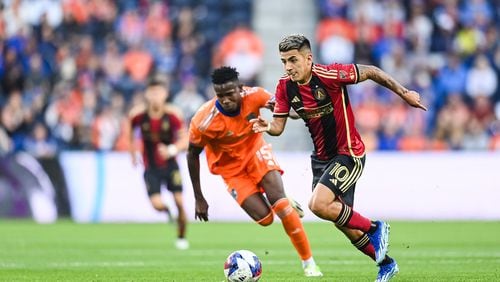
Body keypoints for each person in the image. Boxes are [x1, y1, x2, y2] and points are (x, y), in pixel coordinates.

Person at [251, 34, 427, 282]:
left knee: (318, 205)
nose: (288, 67)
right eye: (284, 61)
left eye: (293, 60)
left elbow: (372, 71)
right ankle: (387, 264)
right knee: (342, 221)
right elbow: (279, 126)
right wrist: (267, 126)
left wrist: (404, 92)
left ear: (308, 58)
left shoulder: (330, 75)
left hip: (349, 152)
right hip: (321, 159)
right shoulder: (284, 86)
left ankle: (376, 227)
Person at [186, 66, 323, 277]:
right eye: (220, 95)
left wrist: (299, 112)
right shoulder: (203, 120)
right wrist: (198, 197)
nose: (225, 100)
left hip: (256, 153)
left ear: (240, 89)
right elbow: (192, 155)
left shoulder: (255, 95)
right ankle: (280, 197)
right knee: (266, 219)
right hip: (231, 171)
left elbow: (281, 108)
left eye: (230, 93)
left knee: (282, 207)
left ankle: (309, 263)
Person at [128, 77, 189, 250]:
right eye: (152, 92)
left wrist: (171, 149)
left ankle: (182, 236)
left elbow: (185, 139)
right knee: (157, 205)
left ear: (165, 94)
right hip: (151, 168)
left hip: (170, 167)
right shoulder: (137, 115)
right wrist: (132, 154)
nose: (155, 96)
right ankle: (166, 212)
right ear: (146, 94)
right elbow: (130, 133)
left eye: (158, 92)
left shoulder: (173, 115)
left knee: (180, 202)